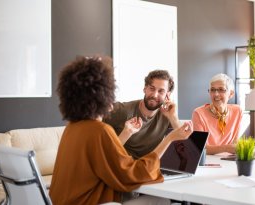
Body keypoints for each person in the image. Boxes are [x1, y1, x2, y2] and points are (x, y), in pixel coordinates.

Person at [49, 55, 193, 205]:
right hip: (91, 201)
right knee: (161, 201)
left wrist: (173, 120)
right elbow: (133, 174)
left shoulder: (72, 128)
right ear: (102, 96)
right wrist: (169, 138)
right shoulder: (101, 130)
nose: (112, 102)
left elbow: (189, 152)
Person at [104, 70, 181, 159]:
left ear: (168, 95)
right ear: (145, 89)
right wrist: (125, 133)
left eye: (161, 91)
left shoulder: (168, 115)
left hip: (148, 167)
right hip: (123, 167)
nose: (155, 95)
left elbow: (186, 147)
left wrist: (173, 117)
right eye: (152, 88)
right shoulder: (122, 110)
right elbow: (93, 128)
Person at [192, 73, 243, 155]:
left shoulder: (237, 111)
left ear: (231, 94)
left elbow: (235, 142)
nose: (216, 94)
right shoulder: (199, 113)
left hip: (228, 159)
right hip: (208, 161)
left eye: (221, 89)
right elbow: (199, 147)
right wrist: (226, 148)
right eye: (212, 90)